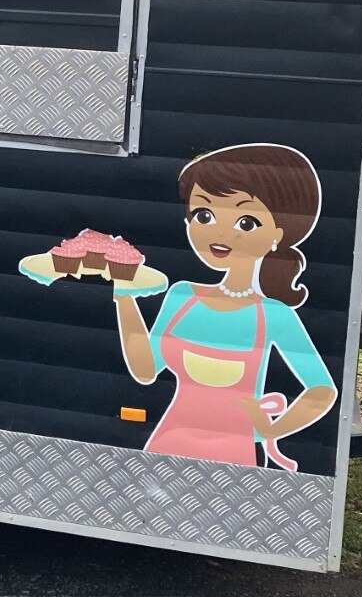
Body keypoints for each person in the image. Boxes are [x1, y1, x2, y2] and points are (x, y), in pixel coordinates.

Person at [114, 143, 337, 469]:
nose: (218, 232)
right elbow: (146, 370)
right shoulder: (182, 297)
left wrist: (270, 431)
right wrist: (124, 294)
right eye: (204, 215)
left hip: (234, 455)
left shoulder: (272, 315)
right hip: (168, 441)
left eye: (246, 222)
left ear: (277, 234)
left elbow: (322, 390)